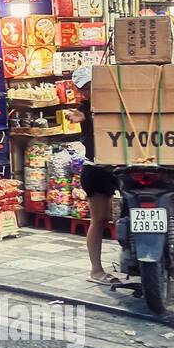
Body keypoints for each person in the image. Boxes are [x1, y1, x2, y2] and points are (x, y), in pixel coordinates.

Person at [64, 64, 119, 285]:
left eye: (91, 85)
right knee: (99, 220)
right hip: (96, 169)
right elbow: (80, 115)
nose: (88, 91)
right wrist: (78, 116)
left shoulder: (116, 100)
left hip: (123, 168)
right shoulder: (84, 109)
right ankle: (96, 270)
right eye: (84, 88)